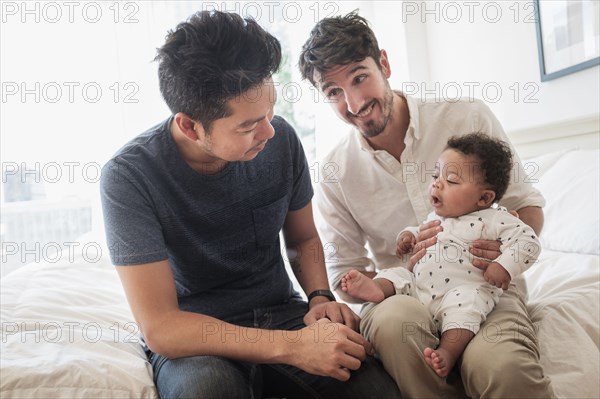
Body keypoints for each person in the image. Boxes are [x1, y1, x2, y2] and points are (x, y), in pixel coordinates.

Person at [100, 10, 400, 399]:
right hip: (197, 337)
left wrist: (320, 297)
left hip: (284, 314)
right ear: (190, 126)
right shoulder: (129, 177)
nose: (269, 131)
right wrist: (294, 348)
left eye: (270, 111)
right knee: (208, 392)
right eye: (248, 126)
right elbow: (161, 329)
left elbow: (304, 238)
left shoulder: (280, 140)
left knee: (374, 389)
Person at [299, 11, 555, 398]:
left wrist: (502, 254)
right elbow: (347, 274)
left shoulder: (465, 116)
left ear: (383, 63)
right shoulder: (335, 171)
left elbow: (528, 208)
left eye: (359, 77)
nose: (353, 103)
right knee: (392, 324)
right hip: (405, 296)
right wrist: (376, 283)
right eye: (334, 92)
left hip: (483, 289)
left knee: (502, 368)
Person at [341, 133, 541, 378]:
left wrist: (504, 265)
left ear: (484, 198)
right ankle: (376, 289)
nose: (437, 184)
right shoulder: (438, 217)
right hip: (419, 288)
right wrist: (407, 237)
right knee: (398, 273)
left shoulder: (495, 219)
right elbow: (418, 230)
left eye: (452, 180)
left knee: (467, 308)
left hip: (463, 289)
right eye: (436, 176)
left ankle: (448, 351)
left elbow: (528, 241)